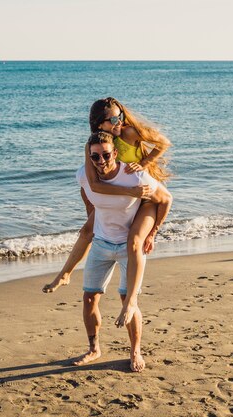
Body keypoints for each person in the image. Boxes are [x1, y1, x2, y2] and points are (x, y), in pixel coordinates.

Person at [43, 97, 171, 329]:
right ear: (98, 124)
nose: (118, 121)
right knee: (87, 230)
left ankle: (130, 300)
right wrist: (94, 210)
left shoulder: (128, 132)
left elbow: (163, 143)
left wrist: (144, 162)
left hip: (145, 196)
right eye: (112, 119)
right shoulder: (97, 145)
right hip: (126, 195)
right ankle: (64, 274)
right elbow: (90, 184)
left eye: (119, 116)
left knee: (134, 240)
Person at [72, 131, 172, 372]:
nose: (101, 161)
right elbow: (88, 197)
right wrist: (91, 222)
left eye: (106, 155)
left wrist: (152, 233)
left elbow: (166, 199)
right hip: (102, 244)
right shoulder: (83, 175)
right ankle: (94, 349)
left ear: (115, 153)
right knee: (88, 298)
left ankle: (135, 351)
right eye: (95, 157)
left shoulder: (135, 176)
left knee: (128, 300)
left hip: (130, 246)